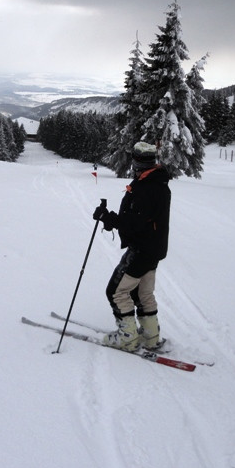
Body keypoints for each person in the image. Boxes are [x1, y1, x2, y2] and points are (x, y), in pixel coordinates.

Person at [92, 141, 171, 351]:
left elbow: (135, 222)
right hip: (153, 248)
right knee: (142, 293)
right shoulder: (154, 181)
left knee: (116, 292)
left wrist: (109, 219)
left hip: (142, 249)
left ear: (138, 162)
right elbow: (140, 219)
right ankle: (151, 337)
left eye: (135, 159)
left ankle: (128, 337)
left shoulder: (148, 187)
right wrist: (112, 219)